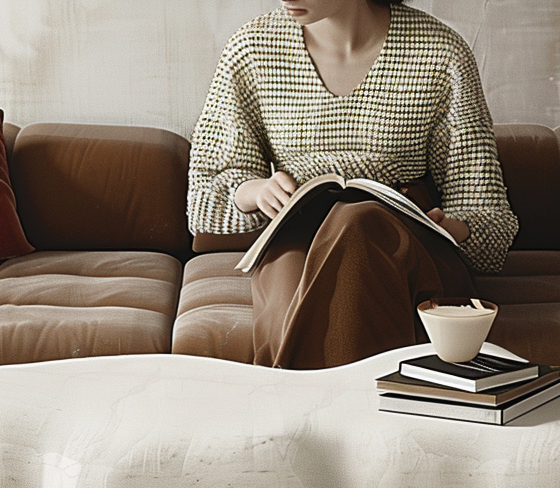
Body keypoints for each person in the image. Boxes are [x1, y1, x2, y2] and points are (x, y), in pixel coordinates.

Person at [187, 0, 518, 369]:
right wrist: (254, 191)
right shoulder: (252, 48)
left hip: (401, 240)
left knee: (355, 224)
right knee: (292, 281)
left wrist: (452, 228)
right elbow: (204, 194)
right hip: (298, 231)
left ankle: (298, 416)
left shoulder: (441, 52)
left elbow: (486, 209)